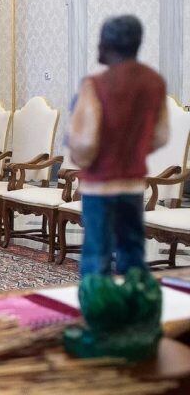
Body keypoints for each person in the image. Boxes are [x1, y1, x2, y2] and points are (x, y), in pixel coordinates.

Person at [68, 15, 167, 276]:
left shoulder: (95, 85)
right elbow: (161, 135)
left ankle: (97, 312)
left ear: (108, 44)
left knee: (97, 253)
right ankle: (132, 310)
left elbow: (85, 142)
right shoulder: (154, 82)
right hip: (133, 184)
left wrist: (82, 160)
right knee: (132, 252)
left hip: (99, 184)